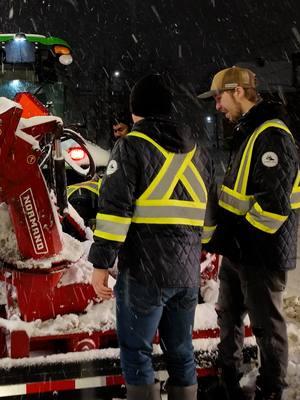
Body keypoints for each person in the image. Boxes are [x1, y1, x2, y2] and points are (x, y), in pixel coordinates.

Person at [88, 73, 217, 400]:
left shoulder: (130, 146)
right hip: (187, 274)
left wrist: (101, 264)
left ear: (136, 111)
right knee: (181, 351)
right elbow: (210, 218)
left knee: (136, 352)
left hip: (144, 273)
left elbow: (115, 211)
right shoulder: (198, 152)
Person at [198, 66, 300, 400]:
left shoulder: (272, 136)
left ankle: (270, 390)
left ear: (238, 91)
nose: (217, 106)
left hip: (261, 254)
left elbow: (273, 207)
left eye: (219, 98)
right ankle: (228, 378)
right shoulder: (249, 132)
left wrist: (240, 240)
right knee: (228, 314)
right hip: (240, 251)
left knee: (267, 327)